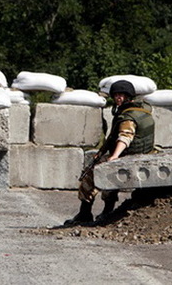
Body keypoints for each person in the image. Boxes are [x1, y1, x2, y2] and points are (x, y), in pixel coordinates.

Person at [65, 79, 155, 225]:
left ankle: (85, 213)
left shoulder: (128, 116)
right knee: (107, 176)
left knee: (91, 177)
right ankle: (106, 212)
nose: (118, 98)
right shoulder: (140, 110)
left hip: (127, 155)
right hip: (142, 153)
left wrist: (114, 156)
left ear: (128, 96)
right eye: (116, 95)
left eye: (122, 95)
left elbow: (125, 137)